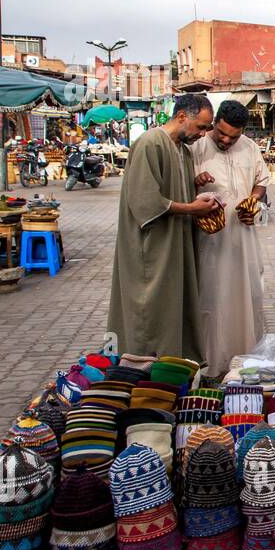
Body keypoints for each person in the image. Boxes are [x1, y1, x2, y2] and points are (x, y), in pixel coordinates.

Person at [107, 94, 218, 364]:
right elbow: (146, 202)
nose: (203, 135)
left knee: (173, 306)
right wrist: (193, 209)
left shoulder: (183, 149)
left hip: (175, 244)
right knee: (150, 308)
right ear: (182, 117)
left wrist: (197, 188)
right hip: (152, 246)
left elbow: (175, 188)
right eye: (201, 127)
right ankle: (141, 370)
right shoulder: (150, 143)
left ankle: (175, 367)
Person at [189, 100, 272, 375]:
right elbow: (181, 186)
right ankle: (210, 365)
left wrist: (253, 200)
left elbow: (261, 180)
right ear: (214, 123)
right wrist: (195, 181)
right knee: (211, 299)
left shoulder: (249, 147)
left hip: (244, 237)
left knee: (248, 296)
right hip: (208, 240)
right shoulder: (196, 147)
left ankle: (245, 360)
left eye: (233, 136)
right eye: (221, 133)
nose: (226, 140)